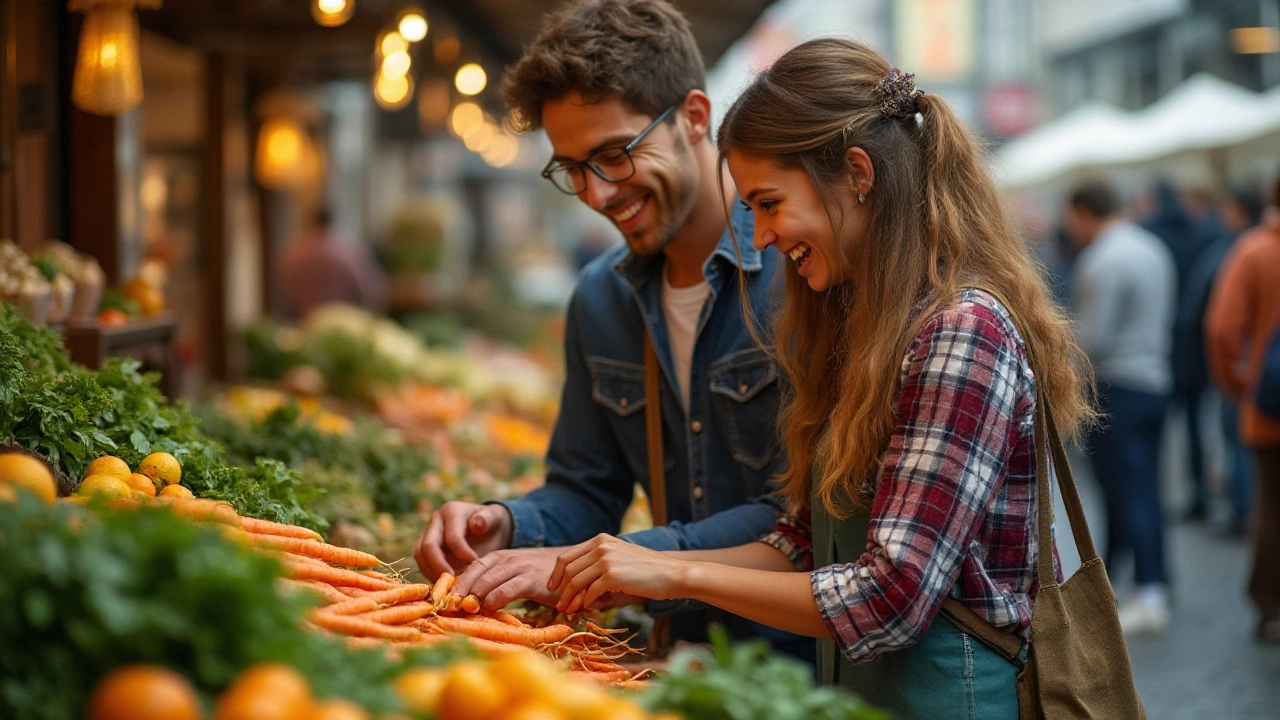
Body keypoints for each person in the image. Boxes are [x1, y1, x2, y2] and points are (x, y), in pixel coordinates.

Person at [542, 38, 1096, 716]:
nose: (763, 234)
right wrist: (633, 568)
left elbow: (890, 599)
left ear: (857, 174)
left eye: (769, 203)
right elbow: (801, 541)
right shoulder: (865, 327)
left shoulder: (961, 331)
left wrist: (671, 569)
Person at [411, 0, 808, 662]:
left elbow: (802, 517)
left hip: (810, 673)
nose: (596, 194)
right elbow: (587, 488)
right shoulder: (601, 299)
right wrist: (507, 525)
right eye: (571, 169)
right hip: (679, 666)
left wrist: (624, 561)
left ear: (694, 117)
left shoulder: (798, 277)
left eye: (614, 155)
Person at [1066, 180, 1177, 636]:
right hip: (1154, 382)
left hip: (1118, 389)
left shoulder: (1103, 259)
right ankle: (1136, 582)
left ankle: (1149, 591)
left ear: (1083, 213)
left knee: (1127, 492)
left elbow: (1093, 340)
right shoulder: (1151, 248)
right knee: (1143, 489)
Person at [1205, 174, 1280, 644]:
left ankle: (1270, 605)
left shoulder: (1255, 251)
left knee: (1272, 506)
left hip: (1270, 407)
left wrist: (1238, 386)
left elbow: (1221, 329)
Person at [1183, 187, 1264, 535]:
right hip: (1263, 368)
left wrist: (1230, 376)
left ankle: (1244, 512)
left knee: (1238, 440)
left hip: (1248, 370)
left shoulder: (1242, 252)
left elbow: (1220, 327)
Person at [1141, 180, 1213, 520]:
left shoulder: (1150, 237)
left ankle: (1162, 494)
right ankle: (1200, 491)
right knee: (1197, 423)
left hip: (1162, 344)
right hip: (1197, 345)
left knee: (1161, 430)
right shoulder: (1202, 233)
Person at [275, 207, 386, 320]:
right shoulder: (348, 252)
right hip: (343, 322)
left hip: (305, 321)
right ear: (332, 221)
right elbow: (371, 290)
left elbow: (284, 292)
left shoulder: (293, 254)